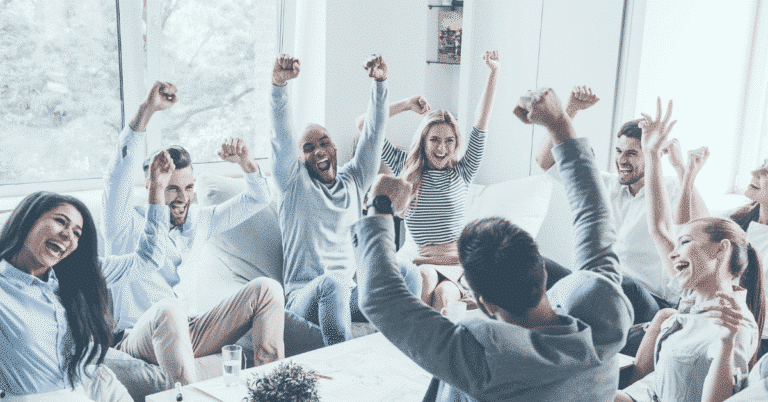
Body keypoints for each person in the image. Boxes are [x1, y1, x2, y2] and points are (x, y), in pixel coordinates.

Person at [352, 87, 633, 401]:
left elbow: (381, 299)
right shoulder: (604, 322)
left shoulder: (482, 360)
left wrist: (378, 205)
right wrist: (559, 124)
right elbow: (594, 217)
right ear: (541, 269)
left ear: (484, 303)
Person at [102, 81, 285, 385]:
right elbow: (116, 175)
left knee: (267, 289)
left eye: (188, 187)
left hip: (190, 331)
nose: (183, 198)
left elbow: (258, 199)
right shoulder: (123, 224)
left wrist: (246, 162)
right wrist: (147, 110)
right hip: (139, 336)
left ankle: (272, 388)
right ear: (151, 186)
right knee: (168, 310)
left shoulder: (200, 221)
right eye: (171, 188)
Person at [616, 98, 764, 402]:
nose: (673, 252)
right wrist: (653, 155)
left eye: (684, 244)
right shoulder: (692, 300)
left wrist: (726, 344)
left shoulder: (733, 324)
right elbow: (659, 227)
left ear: (720, 251)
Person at [270, 54, 420, 346]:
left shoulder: (353, 178)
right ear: (299, 158)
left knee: (407, 271)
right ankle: (341, 362)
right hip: (304, 298)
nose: (318, 151)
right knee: (334, 282)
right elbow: (281, 136)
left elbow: (373, 134)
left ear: (335, 147)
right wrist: (278, 86)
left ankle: (409, 350)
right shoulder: (292, 184)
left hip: (348, 294)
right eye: (308, 148)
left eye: (324, 142)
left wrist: (380, 84)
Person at [0, 151, 174, 400]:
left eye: (76, 233)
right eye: (60, 221)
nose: (67, 235)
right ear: (28, 220)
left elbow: (148, 259)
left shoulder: (76, 274)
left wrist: (157, 189)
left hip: (96, 389)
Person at [536, 87, 708, 325]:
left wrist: (681, 170)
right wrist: (571, 109)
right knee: (533, 263)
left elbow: (702, 223)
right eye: (619, 151)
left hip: (648, 299)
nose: (621, 160)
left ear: (652, 154)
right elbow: (545, 162)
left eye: (632, 153)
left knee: (619, 283)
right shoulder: (606, 184)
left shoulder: (672, 189)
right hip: (593, 286)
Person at [353, 50, 502, 311]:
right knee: (424, 279)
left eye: (449, 140)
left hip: (460, 264)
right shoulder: (405, 167)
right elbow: (364, 124)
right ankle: (417, 335)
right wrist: (406, 104)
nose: (442, 148)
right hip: (423, 262)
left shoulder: (463, 170)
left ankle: (435, 334)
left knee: (444, 296)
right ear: (423, 141)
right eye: (434, 139)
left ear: (455, 143)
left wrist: (494, 72)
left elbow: (481, 123)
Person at [676, 147, 768, 357]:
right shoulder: (741, 218)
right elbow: (695, 226)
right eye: (762, 164)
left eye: (766, 172)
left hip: (750, 338)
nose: (754, 172)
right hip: (709, 321)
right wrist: (687, 173)